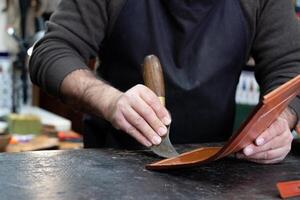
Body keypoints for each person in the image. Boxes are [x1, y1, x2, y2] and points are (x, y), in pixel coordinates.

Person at [29, 0, 300, 164]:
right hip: (114, 168)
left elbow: (290, 65)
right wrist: (111, 101)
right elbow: (51, 52)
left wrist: (279, 122)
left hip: (214, 170)